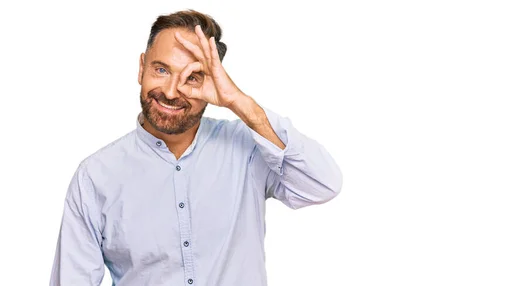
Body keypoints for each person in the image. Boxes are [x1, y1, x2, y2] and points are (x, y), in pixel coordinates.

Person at [49, 9, 342, 286]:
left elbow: (322, 185)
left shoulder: (249, 148)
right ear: (141, 68)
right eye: (161, 69)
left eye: (193, 77)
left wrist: (239, 103)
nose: (171, 91)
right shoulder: (95, 176)